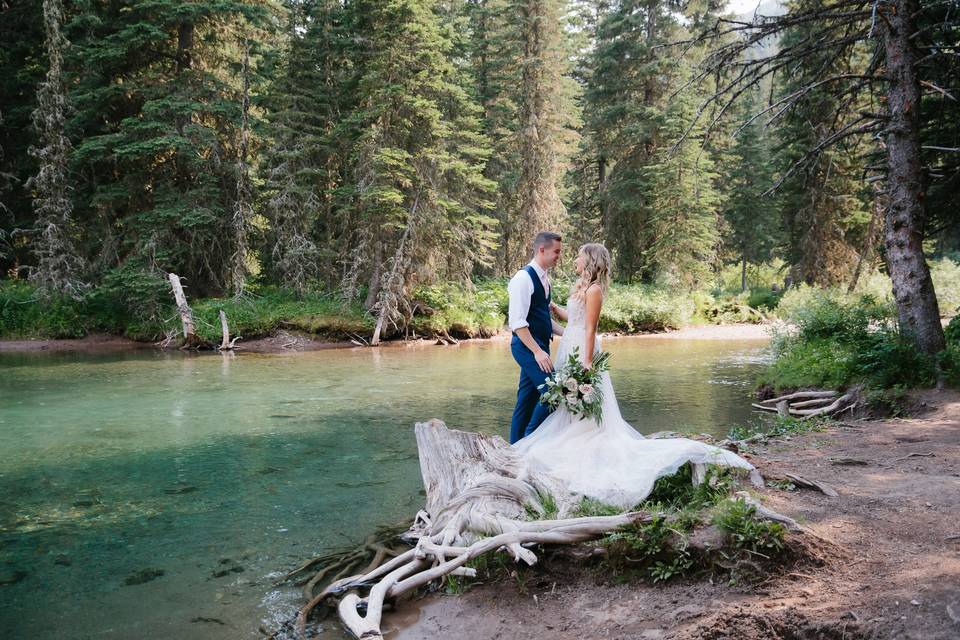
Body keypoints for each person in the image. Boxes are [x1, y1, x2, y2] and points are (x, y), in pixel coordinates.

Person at [513, 243, 757, 508]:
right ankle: (535, 441)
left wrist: (586, 361)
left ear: (590, 261)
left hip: (581, 352)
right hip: (569, 346)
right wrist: (553, 308)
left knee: (563, 399)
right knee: (563, 402)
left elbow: (590, 329)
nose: (574, 260)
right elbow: (574, 319)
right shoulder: (581, 287)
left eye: (579, 257)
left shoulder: (595, 290)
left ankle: (542, 442)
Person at [507, 231, 564, 444]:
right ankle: (529, 440)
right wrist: (537, 352)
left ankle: (514, 447)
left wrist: (573, 334)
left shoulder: (544, 279)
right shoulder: (523, 278)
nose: (559, 256)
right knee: (554, 392)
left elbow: (544, 320)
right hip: (527, 347)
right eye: (556, 252)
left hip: (540, 348)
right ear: (542, 250)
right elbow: (518, 323)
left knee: (526, 400)